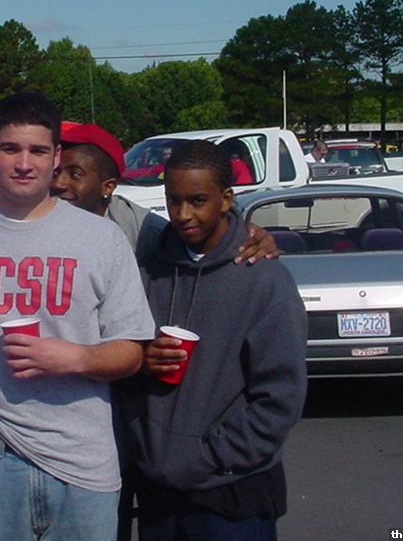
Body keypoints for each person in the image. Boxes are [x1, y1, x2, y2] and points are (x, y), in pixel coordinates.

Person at [0, 91, 154, 541]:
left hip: (82, 467)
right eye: (10, 149)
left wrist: (75, 358)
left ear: (55, 158)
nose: (24, 163)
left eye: (37, 150)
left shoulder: (102, 238)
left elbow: (132, 352)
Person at [122, 140, 307, 541]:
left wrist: (208, 457)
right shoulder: (147, 269)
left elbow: (281, 398)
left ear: (226, 199)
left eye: (197, 200)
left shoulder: (263, 278)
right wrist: (140, 360)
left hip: (232, 495)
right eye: (173, 201)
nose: (183, 214)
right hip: (157, 492)